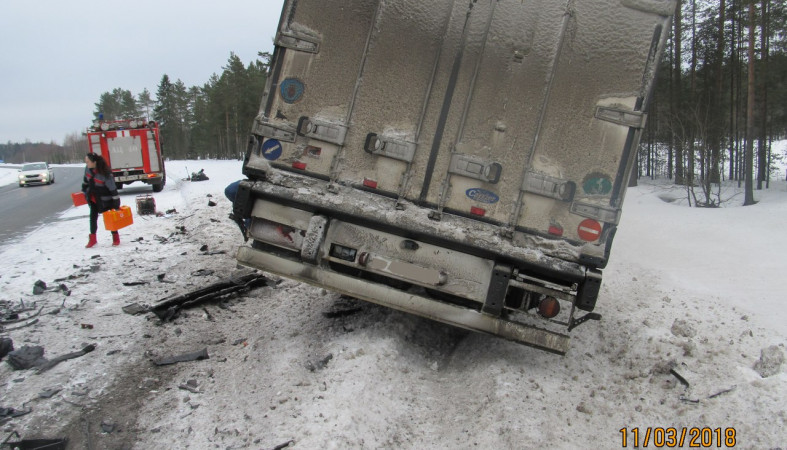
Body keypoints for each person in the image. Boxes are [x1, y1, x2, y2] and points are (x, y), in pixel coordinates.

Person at [82, 153, 121, 248]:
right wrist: (85, 192)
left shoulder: (105, 173)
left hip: (106, 200)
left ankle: (115, 237)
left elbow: (112, 188)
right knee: (93, 217)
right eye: (86, 162)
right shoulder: (87, 169)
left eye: (88, 162)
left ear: (94, 162)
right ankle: (92, 239)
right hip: (94, 199)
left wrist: (116, 202)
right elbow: (85, 182)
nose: (86, 164)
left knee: (110, 218)